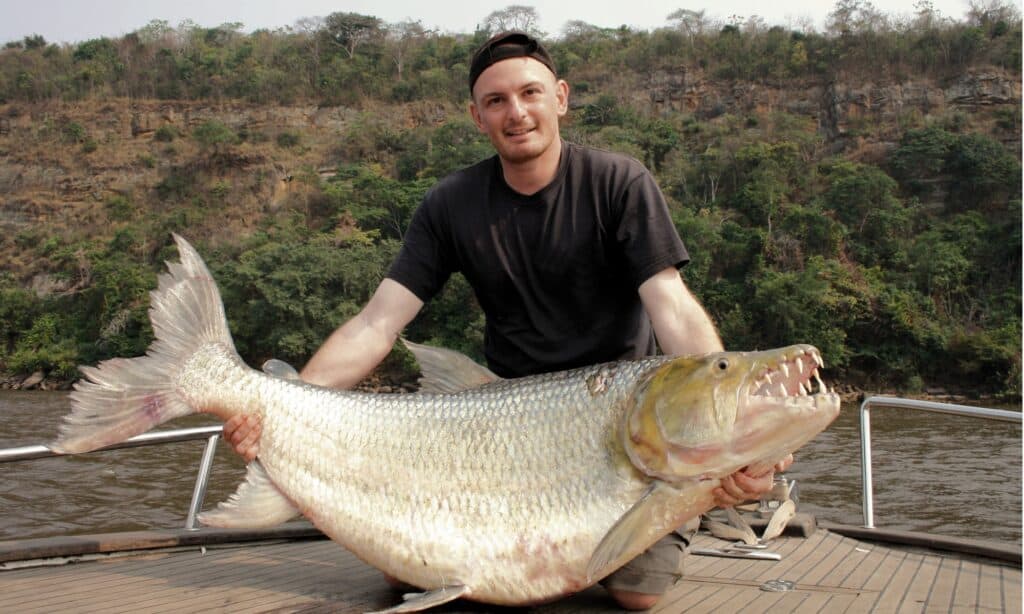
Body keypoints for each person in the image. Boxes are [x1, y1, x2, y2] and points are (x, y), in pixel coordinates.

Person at [224, 31, 791, 611]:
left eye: (530, 93)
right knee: (408, 571)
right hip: (500, 431)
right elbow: (377, 324)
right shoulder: (450, 203)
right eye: (496, 101)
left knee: (634, 595)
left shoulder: (620, 183)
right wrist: (285, 405)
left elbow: (670, 304)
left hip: (620, 427)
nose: (516, 112)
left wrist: (727, 428)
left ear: (561, 97)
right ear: (477, 116)